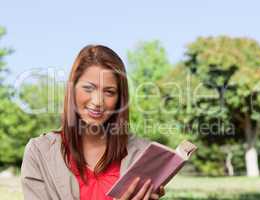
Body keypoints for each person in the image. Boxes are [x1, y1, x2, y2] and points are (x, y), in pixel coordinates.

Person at [21, 45, 166, 200]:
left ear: (120, 99)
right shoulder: (39, 152)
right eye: (89, 88)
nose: (98, 102)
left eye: (109, 92)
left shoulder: (143, 154)